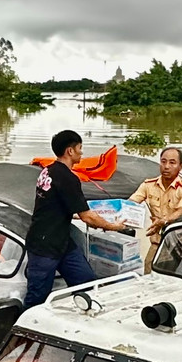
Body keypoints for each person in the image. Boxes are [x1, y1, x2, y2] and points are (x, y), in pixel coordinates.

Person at [22, 130, 130, 310]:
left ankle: (79, 317)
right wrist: (113, 226)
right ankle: (24, 335)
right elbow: (86, 216)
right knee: (36, 298)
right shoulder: (68, 178)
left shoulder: (47, 170)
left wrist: (96, 216)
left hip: (62, 241)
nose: (82, 153)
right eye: (80, 148)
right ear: (70, 151)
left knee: (85, 282)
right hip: (44, 246)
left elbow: (57, 206)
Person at [130, 147, 182, 272]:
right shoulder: (148, 185)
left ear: (180, 166)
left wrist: (164, 221)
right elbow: (131, 203)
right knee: (149, 267)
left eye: (172, 163)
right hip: (159, 240)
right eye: (163, 161)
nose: (166, 166)